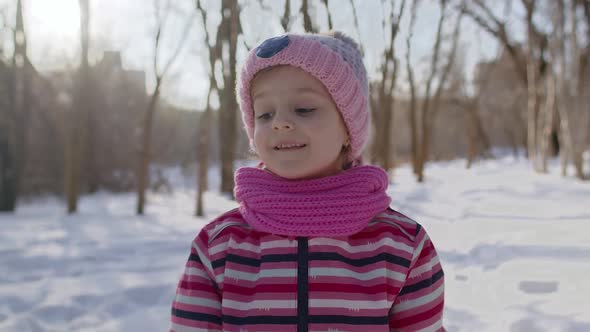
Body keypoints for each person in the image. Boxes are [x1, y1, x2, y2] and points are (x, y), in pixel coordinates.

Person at [170, 31, 445, 332]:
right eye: (264, 114)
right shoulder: (220, 245)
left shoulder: (400, 245)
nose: (279, 122)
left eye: (304, 109)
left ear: (348, 130)